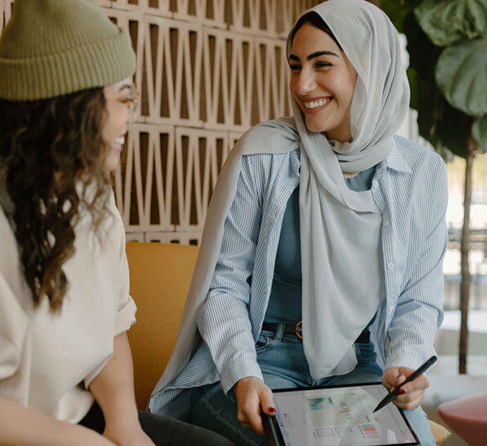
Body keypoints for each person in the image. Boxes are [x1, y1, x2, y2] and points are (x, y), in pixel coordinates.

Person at [0, 1, 233, 445]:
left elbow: (111, 328)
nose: (128, 118)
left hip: (57, 420)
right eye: (121, 99)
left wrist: (122, 423)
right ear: (68, 107)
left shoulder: (90, 191)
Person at [149, 0, 447, 445]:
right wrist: (243, 375)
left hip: (361, 366)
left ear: (370, 67)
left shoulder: (421, 172)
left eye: (321, 64)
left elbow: (417, 301)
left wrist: (403, 364)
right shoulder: (265, 154)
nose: (303, 85)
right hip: (262, 361)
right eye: (295, 65)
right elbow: (224, 285)